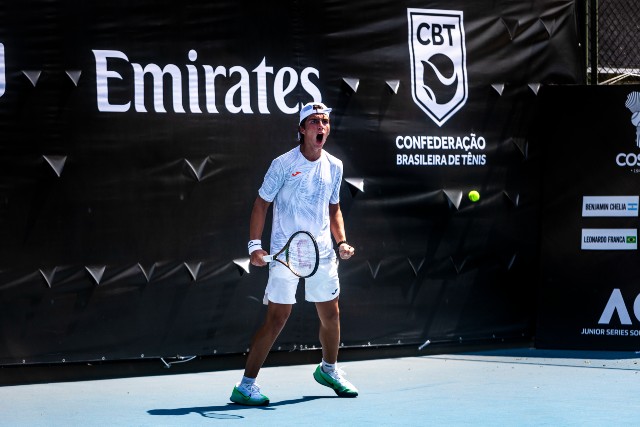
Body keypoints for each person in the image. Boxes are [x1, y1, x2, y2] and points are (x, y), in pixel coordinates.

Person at [230, 102, 358, 406]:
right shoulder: (282, 165)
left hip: (323, 253)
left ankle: (329, 370)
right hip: (286, 254)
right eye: (314, 122)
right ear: (301, 129)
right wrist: (254, 246)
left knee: (331, 314)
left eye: (325, 122)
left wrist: (341, 242)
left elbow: (334, 207)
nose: (321, 127)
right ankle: (245, 386)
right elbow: (261, 204)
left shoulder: (335, 166)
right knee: (277, 317)